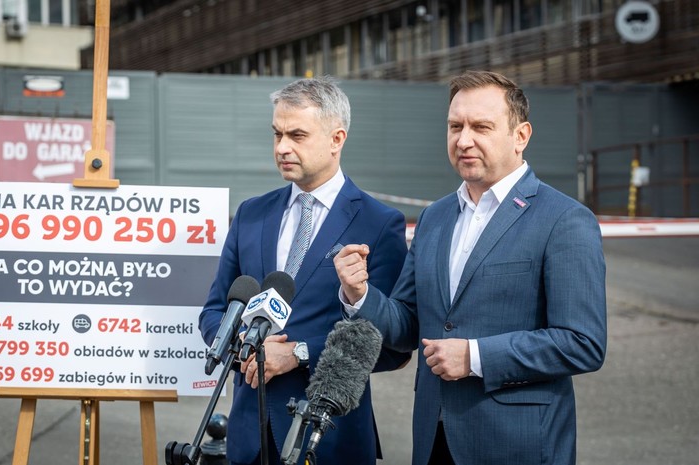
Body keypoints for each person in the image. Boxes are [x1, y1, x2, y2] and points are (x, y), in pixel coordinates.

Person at [334, 70, 607, 465]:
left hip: (516, 446)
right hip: (433, 439)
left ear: (520, 136)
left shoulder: (564, 220)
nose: (463, 140)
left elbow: (582, 343)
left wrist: (476, 357)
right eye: (455, 126)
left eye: (481, 127)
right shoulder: (435, 217)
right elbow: (408, 326)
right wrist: (359, 295)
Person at [199, 76, 410, 465]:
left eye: (297, 135)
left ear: (336, 139)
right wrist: (245, 343)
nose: (282, 147)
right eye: (277, 134)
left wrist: (298, 353)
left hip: (328, 438)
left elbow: (394, 344)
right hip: (247, 437)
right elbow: (214, 312)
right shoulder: (251, 214)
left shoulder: (379, 223)